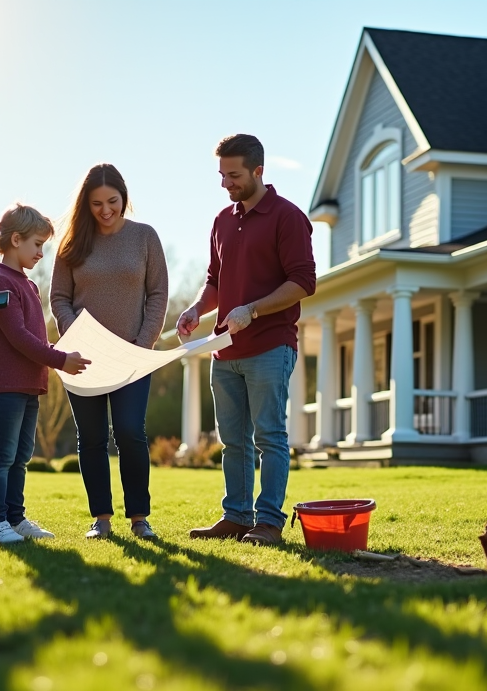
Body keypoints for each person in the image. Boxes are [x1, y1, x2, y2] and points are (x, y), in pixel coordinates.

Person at [177, 134, 316, 546]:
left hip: (271, 346)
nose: (226, 184)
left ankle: (268, 522)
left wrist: (252, 309)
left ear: (258, 171)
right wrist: (195, 310)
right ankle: (236, 516)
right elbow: (214, 282)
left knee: (269, 435)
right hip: (224, 350)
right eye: (222, 175)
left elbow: (303, 282)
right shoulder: (222, 220)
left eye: (233, 175)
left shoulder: (287, 217)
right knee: (232, 440)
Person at [50, 164, 169, 540]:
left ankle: (139, 518)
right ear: (86, 203)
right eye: (97, 203)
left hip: (133, 354)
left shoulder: (145, 237)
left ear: (124, 198)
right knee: (92, 438)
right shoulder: (71, 243)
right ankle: (101, 518)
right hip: (84, 357)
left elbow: (158, 294)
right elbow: (59, 298)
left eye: (112, 202)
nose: (105, 210)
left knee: (131, 432)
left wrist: (144, 341)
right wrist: (78, 334)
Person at [0, 204, 91, 543]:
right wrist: (60, 359)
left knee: (21, 457)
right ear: (16, 239)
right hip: (2, 386)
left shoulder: (28, 285)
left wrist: (61, 350)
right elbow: (19, 338)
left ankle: (14, 518)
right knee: (1, 456)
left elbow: (35, 338)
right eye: (37, 244)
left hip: (27, 386)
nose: (42, 252)